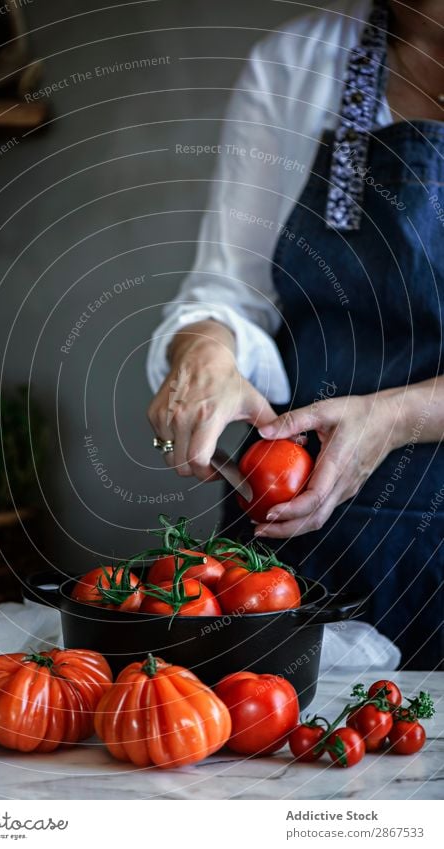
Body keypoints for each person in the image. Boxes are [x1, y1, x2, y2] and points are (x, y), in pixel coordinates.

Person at [146, 0, 444, 669]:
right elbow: (232, 287)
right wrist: (206, 350)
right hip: (294, 542)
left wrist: (398, 416)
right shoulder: (299, 62)